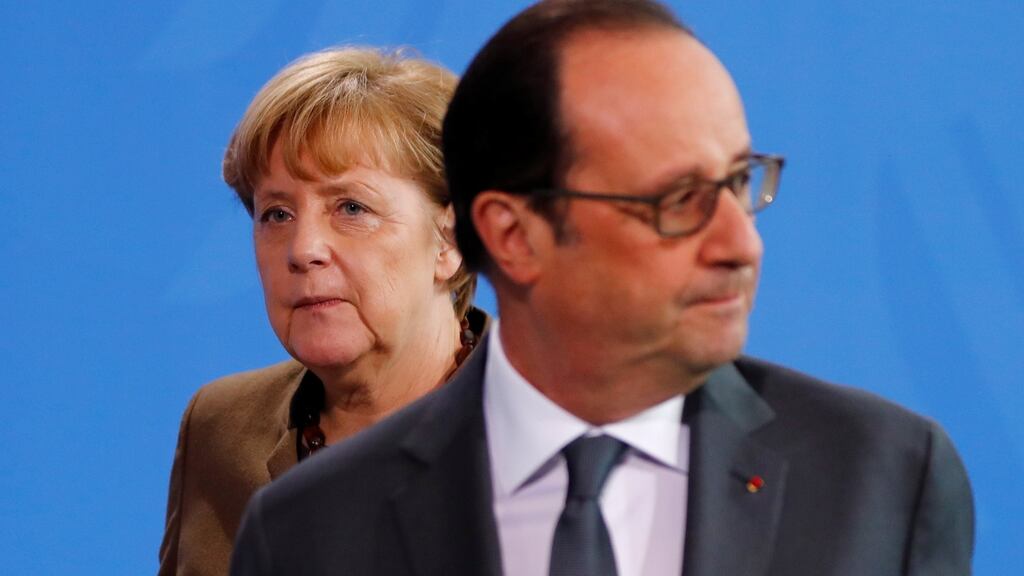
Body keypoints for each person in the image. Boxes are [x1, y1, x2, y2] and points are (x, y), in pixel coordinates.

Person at [230, 1, 975, 575]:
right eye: (676, 200)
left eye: (740, 184)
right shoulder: (307, 530)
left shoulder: (883, 476)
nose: (741, 243)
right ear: (514, 236)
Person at [158, 47, 485, 576]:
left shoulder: (561, 429)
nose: (302, 248)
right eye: (277, 213)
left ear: (450, 241)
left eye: (351, 208)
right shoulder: (219, 427)